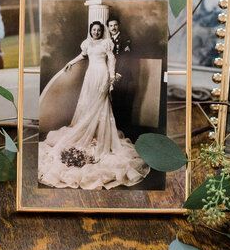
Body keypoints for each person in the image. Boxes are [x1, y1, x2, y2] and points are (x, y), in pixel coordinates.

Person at [37, 20, 150, 190]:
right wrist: (70, 62)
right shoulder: (87, 43)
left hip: (102, 74)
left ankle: (101, 135)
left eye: (98, 30)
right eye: (94, 29)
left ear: (101, 31)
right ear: (90, 31)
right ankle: (90, 133)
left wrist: (110, 79)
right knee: (88, 105)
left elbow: (111, 59)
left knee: (101, 105)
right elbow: (82, 55)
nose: (96, 32)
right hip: (90, 76)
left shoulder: (106, 43)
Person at [106, 15, 134, 131]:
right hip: (110, 74)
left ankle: (121, 131)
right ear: (108, 27)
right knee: (111, 102)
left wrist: (118, 74)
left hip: (122, 75)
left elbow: (126, 58)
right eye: (111, 26)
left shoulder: (125, 39)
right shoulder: (108, 40)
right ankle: (112, 130)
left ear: (119, 26)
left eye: (115, 25)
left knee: (121, 103)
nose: (113, 28)